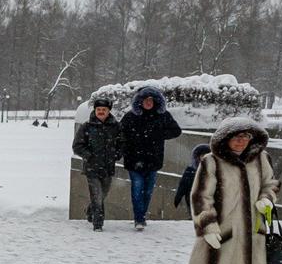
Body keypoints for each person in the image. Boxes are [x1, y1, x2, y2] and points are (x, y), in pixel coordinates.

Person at [183, 117, 279, 264]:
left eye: (245, 137)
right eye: (236, 137)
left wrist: (266, 198)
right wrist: (207, 226)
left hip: (253, 228)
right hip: (223, 227)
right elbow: (200, 196)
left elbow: (271, 183)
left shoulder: (261, 158)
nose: (241, 142)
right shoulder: (211, 161)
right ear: (226, 138)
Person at [120, 85, 182, 230]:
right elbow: (120, 134)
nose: (148, 102)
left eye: (151, 100)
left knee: (147, 191)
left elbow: (176, 131)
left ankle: (142, 215)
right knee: (137, 189)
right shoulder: (130, 116)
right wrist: (126, 147)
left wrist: (159, 135)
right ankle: (139, 219)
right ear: (140, 101)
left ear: (156, 101)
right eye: (146, 100)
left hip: (153, 160)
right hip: (134, 160)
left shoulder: (163, 116)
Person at [71, 98, 125, 232]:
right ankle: (98, 224)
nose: (101, 112)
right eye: (98, 110)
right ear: (95, 111)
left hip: (108, 168)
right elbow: (77, 146)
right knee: (97, 195)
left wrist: (117, 154)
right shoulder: (87, 126)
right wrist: (88, 155)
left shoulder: (116, 127)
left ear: (108, 111)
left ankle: (90, 211)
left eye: (104, 110)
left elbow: (123, 143)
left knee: (103, 194)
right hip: (92, 168)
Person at [174, 144, 211, 211]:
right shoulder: (191, 169)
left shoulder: (214, 170)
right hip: (192, 197)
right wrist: (178, 197)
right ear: (198, 157)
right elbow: (183, 184)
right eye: (203, 156)